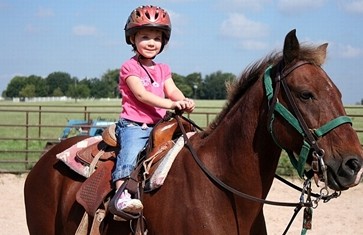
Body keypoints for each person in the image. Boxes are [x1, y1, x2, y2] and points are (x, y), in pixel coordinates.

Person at [111, 5, 195, 215]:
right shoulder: (129, 68)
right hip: (134, 126)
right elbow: (141, 95)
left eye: (157, 38)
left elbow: (172, 90)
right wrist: (170, 104)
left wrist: (183, 100)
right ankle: (121, 194)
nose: (151, 43)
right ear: (132, 39)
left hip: (160, 125)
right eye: (145, 36)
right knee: (129, 154)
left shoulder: (163, 69)